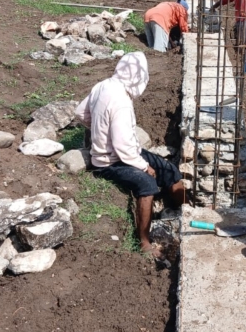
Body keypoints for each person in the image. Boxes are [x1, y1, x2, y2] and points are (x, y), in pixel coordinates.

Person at [75, 52, 187, 257]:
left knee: (169, 169)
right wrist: (144, 166)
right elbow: (123, 146)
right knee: (147, 184)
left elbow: (80, 113)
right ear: (138, 77)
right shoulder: (121, 102)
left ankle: (181, 210)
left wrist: (100, 129)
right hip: (109, 161)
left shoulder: (103, 85)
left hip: (122, 153)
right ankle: (144, 242)